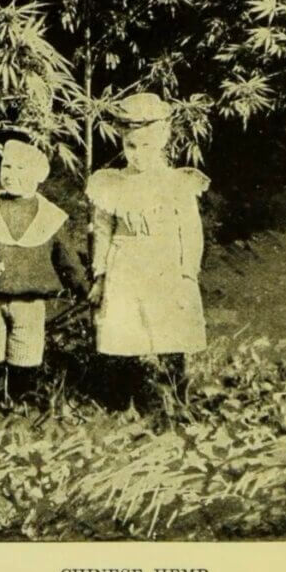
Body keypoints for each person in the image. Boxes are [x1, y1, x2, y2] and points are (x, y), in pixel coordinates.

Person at [85, 93, 209, 413]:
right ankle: (123, 404)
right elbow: (103, 231)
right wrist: (100, 275)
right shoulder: (111, 184)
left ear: (163, 140)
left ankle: (175, 402)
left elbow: (190, 232)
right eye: (131, 147)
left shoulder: (176, 184)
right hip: (125, 265)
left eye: (147, 146)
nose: (139, 155)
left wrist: (187, 273)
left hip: (164, 264)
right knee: (124, 330)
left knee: (170, 329)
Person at [0, 135, 87, 404]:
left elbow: (67, 259)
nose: (11, 174)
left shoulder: (49, 217)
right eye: (7, 166)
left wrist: (85, 288)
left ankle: (21, 402)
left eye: (20, 168)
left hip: (29, 302)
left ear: (39, 176)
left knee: (26, 351)